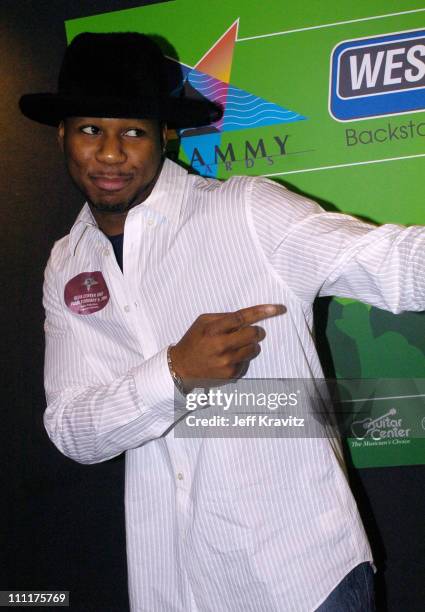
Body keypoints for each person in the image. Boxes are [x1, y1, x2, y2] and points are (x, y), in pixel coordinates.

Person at [19, 32, 424, 612]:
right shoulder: (68, 261)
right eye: (90, 130)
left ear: (167, 134)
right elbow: (73, 430)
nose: (110, 153)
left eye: (132, 131)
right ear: (62, 134)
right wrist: (174, 372)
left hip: (299, 578)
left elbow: (389, 263)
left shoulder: (247, 211)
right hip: (172, 582)